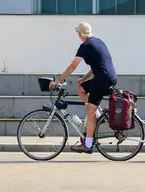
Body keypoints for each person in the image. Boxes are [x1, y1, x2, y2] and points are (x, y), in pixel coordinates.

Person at [49, 22, 117, 154]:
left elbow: (73, 66)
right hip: (109, 76)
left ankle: (88, 144)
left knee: (90, 111)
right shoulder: (98, 42)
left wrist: (58, 80)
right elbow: (98, 65)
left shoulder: (85, 46)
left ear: (80, 34)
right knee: (80, 87)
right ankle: (96, 115)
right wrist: (84, 79)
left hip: (102, 79)